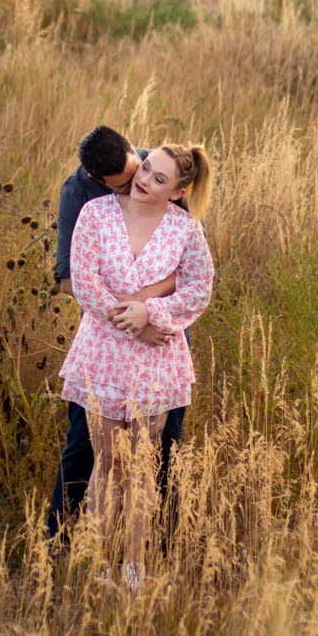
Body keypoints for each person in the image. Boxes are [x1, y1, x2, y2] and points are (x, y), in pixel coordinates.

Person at [59, 144, 214, 586]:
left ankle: (134, 568)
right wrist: (132, 321)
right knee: (107, 463)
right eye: (146, 168)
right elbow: (85, 282)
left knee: (142, 465)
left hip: (155, 360)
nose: (145, 180)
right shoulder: (95, 213)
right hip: (103, 355)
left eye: (159, 179)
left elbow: (199, 288)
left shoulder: (185, 230)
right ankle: (100, 565)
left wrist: (154, 316)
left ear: (179, 192)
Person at [48, 126, 183, 540]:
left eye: (137, 169)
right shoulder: (78, 196)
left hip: (160, 327)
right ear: (97, 179)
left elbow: (184, 266)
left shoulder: (158, 168)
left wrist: (144, 311)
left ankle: (158, 548)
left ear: (132, 148)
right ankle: (62, 545)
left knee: (164, 446)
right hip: (105, 338)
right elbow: (71, 281)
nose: (137, 184)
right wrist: (127, 318)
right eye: (123, 183)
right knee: (84, 446)